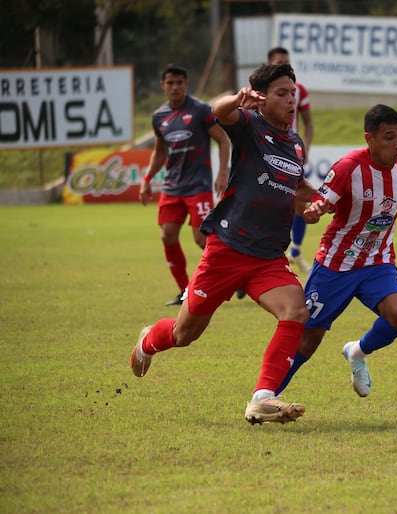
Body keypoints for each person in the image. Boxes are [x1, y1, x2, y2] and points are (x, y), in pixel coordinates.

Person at [130, 63, 316, 425]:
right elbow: (218, 111)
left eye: (292, 93)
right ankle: (148, 340)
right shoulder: (249, 124)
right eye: (281, 93)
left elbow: (296, 190)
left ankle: (262, 398)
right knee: (185, 334)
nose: (290, 100)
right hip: (227, 250)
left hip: (267, 257)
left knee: (295, 311)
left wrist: (317, 202)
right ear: (260, 98)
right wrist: (237, 99)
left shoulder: (294, 144)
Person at [274, 104, 397, 398]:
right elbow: (323, 202)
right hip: (336, 265)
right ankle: (266, 397)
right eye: (389, 137)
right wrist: (314, 211)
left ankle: (357, 352)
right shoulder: (348, 167)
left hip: (378, 261)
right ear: (370, 139)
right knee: (307, 341)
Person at [140, 64, 231, 306]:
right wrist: (147, 179)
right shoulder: (159, 116)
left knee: (202, 240)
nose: (175, 87)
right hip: (172, 187)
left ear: (186, 84)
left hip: (198, 186)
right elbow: (159, 153)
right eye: (170, 83)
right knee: (167, 236)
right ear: (163, 85)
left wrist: (222, 172)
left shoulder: (200, 110)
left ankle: (236, 277)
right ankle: (184, 290)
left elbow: (222, 140)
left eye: (179, 82)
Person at [269, 46, 314, 273]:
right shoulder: (258, 91)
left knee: (299, 202)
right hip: (266, 152)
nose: (283, 66)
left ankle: (295, 250)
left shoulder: (299, 90)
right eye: (278, 63)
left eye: (286, 62)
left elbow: (308, 123)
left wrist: (304, 149)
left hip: (290, 152)